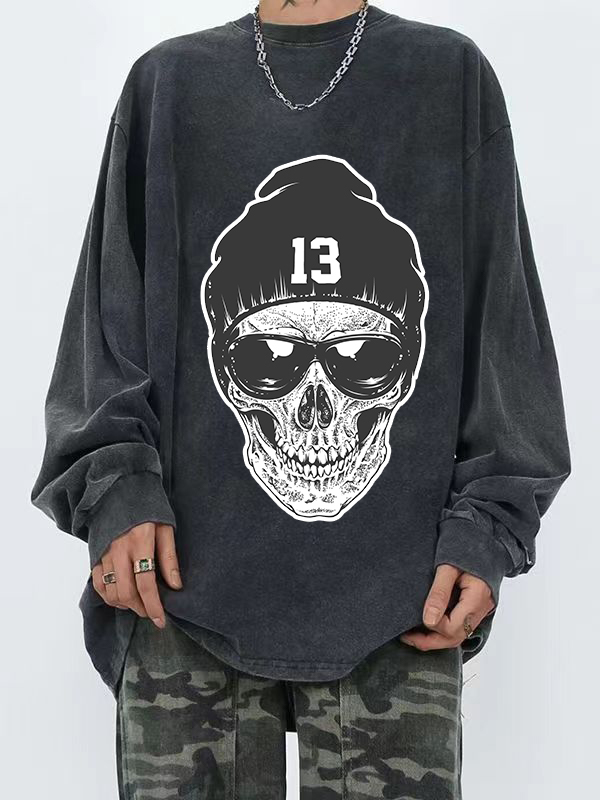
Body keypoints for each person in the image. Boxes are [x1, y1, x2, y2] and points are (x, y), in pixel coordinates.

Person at [31, 1, 571, 797]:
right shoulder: (168, 85)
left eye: (364, 357)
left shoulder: (447, 79)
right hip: (178, 593)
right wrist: (115, 488)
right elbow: (103, 329)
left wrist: (489, 525)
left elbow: (506, 334)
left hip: (402, 598)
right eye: (266, 357)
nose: (315, 410)